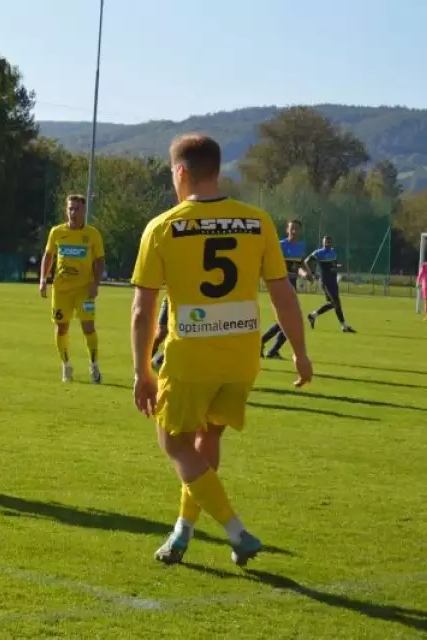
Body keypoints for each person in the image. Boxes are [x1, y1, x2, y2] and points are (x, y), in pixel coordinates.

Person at [130, 134, 312, 567]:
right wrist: (300, 353)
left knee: (173, 444)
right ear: (217, 169)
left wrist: (140, 370)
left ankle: (236, 530)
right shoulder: (258, 221)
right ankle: (183, 531)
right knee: (205, 439)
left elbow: (143, 309)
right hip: (241, 355)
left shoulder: (163, 227)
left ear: (180, 172)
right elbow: (284, 296)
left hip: (192, 356)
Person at [39, 194, 105, 384]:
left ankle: (94, 365)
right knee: (61, 328)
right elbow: (48, 255)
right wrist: (43, 279)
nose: (73, 212)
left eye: (77, 209)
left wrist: (95, 284)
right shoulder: (57, 232)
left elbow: (100, 262)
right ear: (65, 210)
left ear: (84, 211)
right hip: (61, 291)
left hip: (85, 290)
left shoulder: (92, 234)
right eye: (70, 208)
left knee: (88, 328)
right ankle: (66, 365)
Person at [261, 220, 308, 359]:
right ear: (287, 230)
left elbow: (298, 265)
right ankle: (271, 348)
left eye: (297, 229)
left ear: (300, 231)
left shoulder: (300, 247)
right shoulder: (280, 245)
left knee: (287, 321)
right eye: (292, 228)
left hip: (292, 286)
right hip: (280, 286)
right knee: (291, 319)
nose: (294, 231)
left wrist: (305, 274)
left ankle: (267, 346)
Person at [304, 236, 356, 333]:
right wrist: (312, 272)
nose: (327, 244)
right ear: (322, 243)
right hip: (326, 282)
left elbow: (334, 265)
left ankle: (313, 315)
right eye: (326, 242)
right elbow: (307, 261)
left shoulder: (333, 253)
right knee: (336, 303)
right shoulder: (319, 253)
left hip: (333, 281)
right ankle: (344, 326)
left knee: (333, 304)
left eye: (329, 242)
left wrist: (340, 267)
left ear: (331, 243)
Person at [150, 298, 169, 371]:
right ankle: (144, 363)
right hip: (171, 300)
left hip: (197, 302)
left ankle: (163, 359)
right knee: (161, 333)